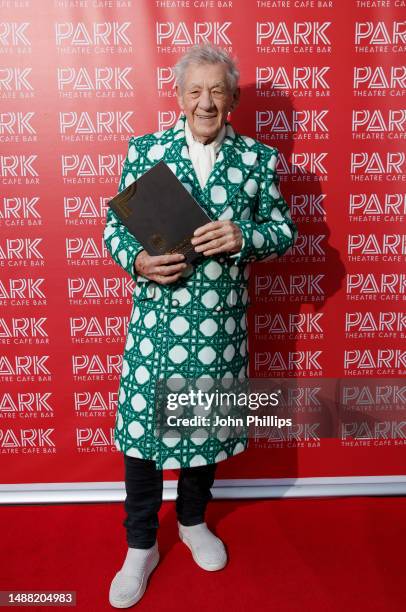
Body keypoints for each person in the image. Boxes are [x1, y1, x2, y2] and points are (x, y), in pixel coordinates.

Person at [104, 43, 298, 608]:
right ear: (180, 96)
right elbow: (115, 230)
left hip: (218, 328)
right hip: (155, 326)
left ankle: (192, 522)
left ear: (232, 97)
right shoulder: (146, 150)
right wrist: (135, 260)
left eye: (217, 90)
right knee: (141, 438)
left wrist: (246, 238)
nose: (206, 102)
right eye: (196, 91)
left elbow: (283, 233)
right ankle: (140, 544)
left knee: (203, 430)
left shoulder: (258, 160)